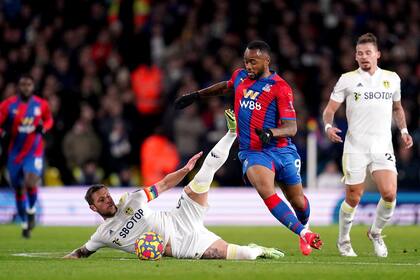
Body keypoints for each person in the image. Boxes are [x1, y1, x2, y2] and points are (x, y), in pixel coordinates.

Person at [64, 110, 284, 260]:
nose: (108, 199)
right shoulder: (103, 234)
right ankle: (258, 250)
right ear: (93, 208)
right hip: (183, 246)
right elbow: (82, 253)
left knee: (202, 175)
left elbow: (164, 184)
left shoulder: (132, 199)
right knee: (244, 256)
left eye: (107, 195)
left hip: (179, 217)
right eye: (101, 200)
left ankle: (232, 132)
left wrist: (185, 170)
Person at [174, 40, 322, 255]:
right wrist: (196, 95)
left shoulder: (280, 88)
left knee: (298, 202)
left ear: (266, 61)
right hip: (253, 152)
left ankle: (305, 226)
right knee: (265, 189)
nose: (249, 67)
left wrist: (271, 132)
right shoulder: (240, 77)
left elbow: (291, 127)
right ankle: (303, 234)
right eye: (246, 62)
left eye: (253, 62)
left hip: (281, 150)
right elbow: (225, 86)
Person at [322, 33, 413, 257]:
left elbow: (398, 108)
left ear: (377, 55)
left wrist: (403, 131)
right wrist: (327, 127)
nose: (364, 57)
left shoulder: (392, 78)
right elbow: (329, 110)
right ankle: (343, 241)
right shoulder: (347, 79)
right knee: (353, 196)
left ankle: (376, 232)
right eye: (360, 53)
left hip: (382, 145)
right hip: (355, 146)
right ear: (355, 56)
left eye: (368, 53)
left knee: (390, 194)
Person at [0, 74, 54, 238]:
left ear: (33, 86)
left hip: (34, 151)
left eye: (29, 84)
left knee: (31, 180)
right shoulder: (8, 105)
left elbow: (49, 120)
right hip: (15, 152)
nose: (26, 88)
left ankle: (31, 210)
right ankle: (24, 223)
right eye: (23, 84)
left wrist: (43, 128)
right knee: (18, 188)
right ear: (19, 87)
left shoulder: (41, 104)